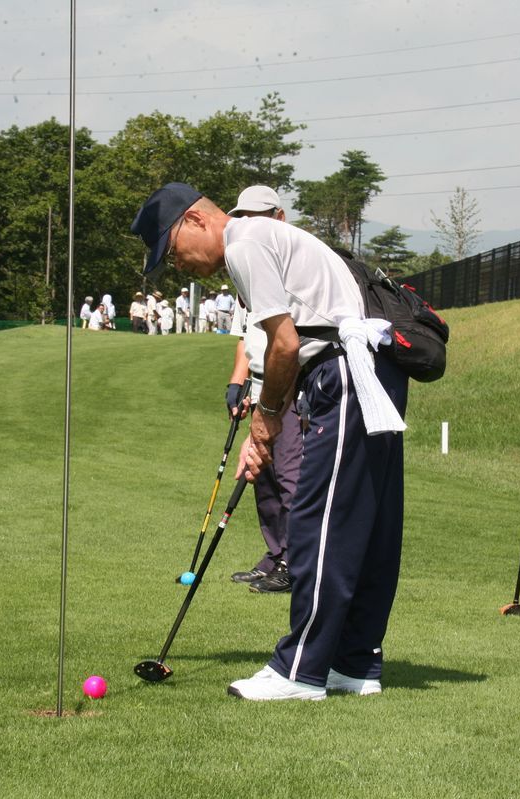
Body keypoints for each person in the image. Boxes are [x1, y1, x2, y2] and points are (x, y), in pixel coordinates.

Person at [132, 182, 409, 702]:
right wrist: (270, 420)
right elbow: (284, 345)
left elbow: (283, 344)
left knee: (316, 523)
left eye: (173, 251)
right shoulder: (262, 236)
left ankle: (300, 671)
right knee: (366, 527)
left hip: (343, 372)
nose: (179, 265)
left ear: (195, 221)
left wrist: (265, 422)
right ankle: (353, 663)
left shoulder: (243, 242)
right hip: (364, 373)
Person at [224, 186, 300, 595]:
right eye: (244, 216)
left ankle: (294, 561)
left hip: (286, 389)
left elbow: (288, 343)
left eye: (260, 215)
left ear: (279, 216)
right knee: (264, 479)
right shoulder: (246, 265)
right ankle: (274, 555)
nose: (250, 223)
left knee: (291, 478)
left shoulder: (287, 263)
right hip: (258, 385)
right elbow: (245, 337)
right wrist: (238, 384)